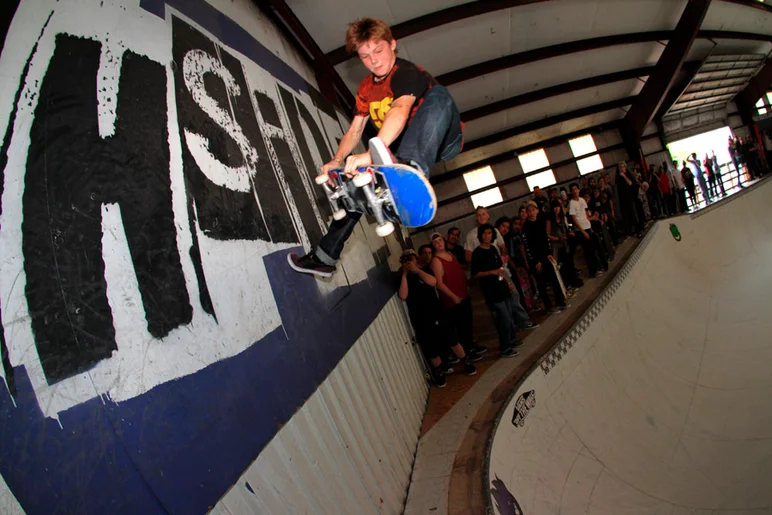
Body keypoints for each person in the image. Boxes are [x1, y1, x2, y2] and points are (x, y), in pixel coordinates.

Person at [289, 18, 464, 277]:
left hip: (443, 137)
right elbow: (356, 129)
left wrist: (371, 154)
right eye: (365, 56)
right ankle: (324, 257)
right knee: (358, 184)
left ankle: (412, 169)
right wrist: (338, 160)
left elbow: (401, 109)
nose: (374, 61)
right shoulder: (366, 88)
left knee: (440, 95)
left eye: (379, 50)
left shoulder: (407, 73)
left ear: (392, 45)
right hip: (400, 146)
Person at [398, 249, 476, 387]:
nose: (409, 262)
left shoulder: (425, 271)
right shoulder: (403, 277)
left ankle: (465, 361)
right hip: (420, 316)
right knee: (431, 345)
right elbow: (403, 296)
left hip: (436, 311)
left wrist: (417, 271)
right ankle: (439, 371)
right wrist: (404, 274)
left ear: (416, 259)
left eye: (411, 259)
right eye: (406, 260)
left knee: (451, 338)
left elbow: (433, 282)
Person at [470, 225, 524, 358]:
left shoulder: (493, 249)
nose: (487, 236)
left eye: (489, 233)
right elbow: (476, 274)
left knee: (509, 317)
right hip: (492, 292)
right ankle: (505, 348)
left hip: (502, 287)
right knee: (503, 319)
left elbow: (500, 268)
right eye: (484, 233)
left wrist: (507, 282)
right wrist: (491, 272)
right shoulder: (477, 253)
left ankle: (511, 341)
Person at [430, 233, 486, 359]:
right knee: (461, 326)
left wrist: (465, 286)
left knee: (467, 323)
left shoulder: (450, 255)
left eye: (440, 240)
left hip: (463, 294)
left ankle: (470, 345)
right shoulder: (436, 261)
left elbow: (458, 272)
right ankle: (467, 351)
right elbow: (439, 283)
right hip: (453, 299)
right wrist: (453, 297)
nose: (439, 243)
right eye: (435, 242)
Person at [521, 202, 568, 315]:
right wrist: (535, 261)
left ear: (537, 211)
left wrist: (549, 253)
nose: (531, 212)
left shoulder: (541, 223)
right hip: (537, 261)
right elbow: (528, 246)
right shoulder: (526, 227)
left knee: (554, 279)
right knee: (541, 284)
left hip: (546, 257)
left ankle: (560, 301)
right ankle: (549, 306)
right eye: (529, 211)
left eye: (533, 210)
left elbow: (546, 240)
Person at [568, 183, 603, 278]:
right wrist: (582, 231)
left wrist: (590, 221)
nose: (575, 191)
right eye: (573, 190)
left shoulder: (582, 200)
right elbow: (573, 219)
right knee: (588, 251)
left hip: (587, 226)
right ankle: (593, 271)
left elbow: (585, 215)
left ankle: (597, 267)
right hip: (580, 229)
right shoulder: (572, 203)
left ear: (578, 190)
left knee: (592, 249)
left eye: (576, 189)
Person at [615, 162, 643, 238]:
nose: (621, 168)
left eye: (622, 167)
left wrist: (624, 176)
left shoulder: (627, 174)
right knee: (627, 215)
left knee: (634, 213)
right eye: (620, 167)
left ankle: (638, 230)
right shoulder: (617, 177)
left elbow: (630, 183)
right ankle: (631, 230)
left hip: (630, 197)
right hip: (623, 198)